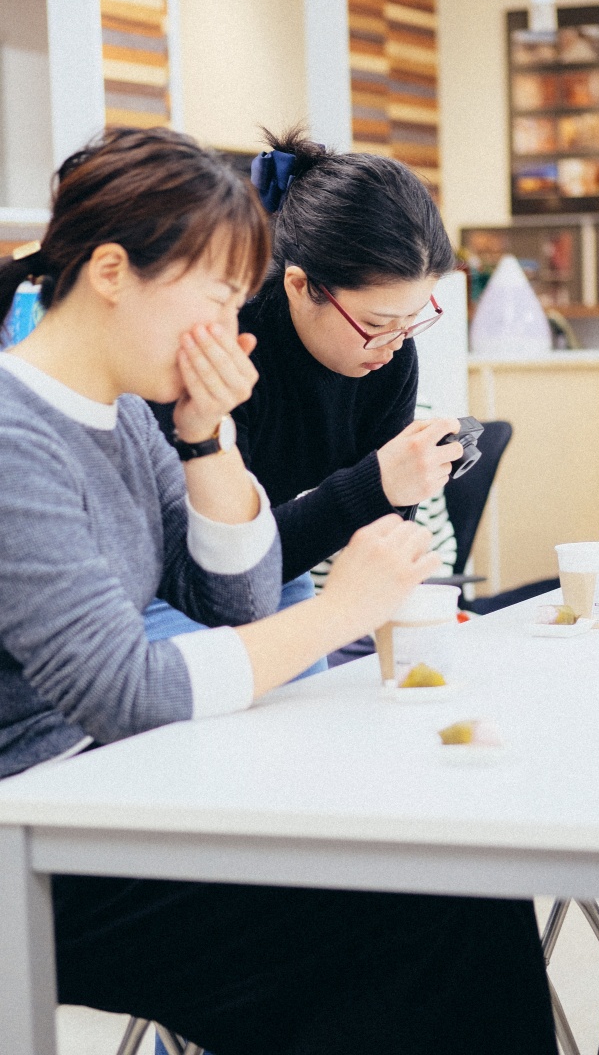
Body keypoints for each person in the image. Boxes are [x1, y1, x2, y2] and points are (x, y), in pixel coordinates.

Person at [0, 127, 558, 1055]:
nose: (230, 329)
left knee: (459, 884)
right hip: (44, 839)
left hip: (122, 790)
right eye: (217, 298)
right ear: (110, 272)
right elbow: (128, 690)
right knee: (418, 928)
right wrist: (343, 611)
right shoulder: (19, 439)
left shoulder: (127, 424)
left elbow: (237, 606)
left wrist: (208, 439)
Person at [148, 128, 465, 660]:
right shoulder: (227, 347)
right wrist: (377, 483)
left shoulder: (388, 358)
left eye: (413, 320)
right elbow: (217, 575)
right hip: (168, 587)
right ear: (300, 286)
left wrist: (402, 490)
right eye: (376, 322)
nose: (392, 345)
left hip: (277, 575)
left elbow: (376, 539)